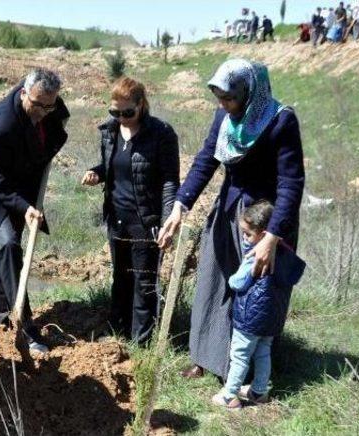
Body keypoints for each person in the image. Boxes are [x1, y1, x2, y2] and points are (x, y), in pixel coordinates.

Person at [157, 59, 305, 381]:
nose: (224, 106)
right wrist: (181, 205)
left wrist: (271, 237)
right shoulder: (223, 117)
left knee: (256, 293)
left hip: (266, 218)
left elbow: (291, 183)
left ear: (249, 91)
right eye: (219, 99)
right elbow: (205, 161)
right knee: (214, 281)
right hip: (229, 211)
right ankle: (205, 357)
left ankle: (248, 371)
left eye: (229, 98)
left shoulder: (280, 122)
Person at [0, 68, 69, 353]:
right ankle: (26, 327)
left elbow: (58, 119)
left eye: (49, 105)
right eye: (37, 105)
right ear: (23, 93)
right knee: (9, 245)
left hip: (21, 188)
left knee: (7, 254)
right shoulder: (3, 124)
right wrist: (24, 207)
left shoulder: (48, 105)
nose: (43, 111)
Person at [81, 77, 179, 345]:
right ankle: (118, 333)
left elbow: (170, 180)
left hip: (145, 221)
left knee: (144, 284)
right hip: (116, 218)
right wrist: (96, 173)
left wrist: (170, 217)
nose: (122, 118)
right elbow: (112, 165)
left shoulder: (161, 133)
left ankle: (141, 343)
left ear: (141, 104)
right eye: (115, 112)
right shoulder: (110, 132)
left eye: (127, 112)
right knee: (120, 278)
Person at [211, 201, 306, 409]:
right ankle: (259, 391)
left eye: (247, 234)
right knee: (264, 351)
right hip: (273, 318)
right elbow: (295, 272)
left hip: (249, 317)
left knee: (240, 355)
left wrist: (238, 273)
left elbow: (236, 283)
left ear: (263, 235)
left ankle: (230, 395)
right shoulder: (285, 251)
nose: (244, 239)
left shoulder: (255, 255)